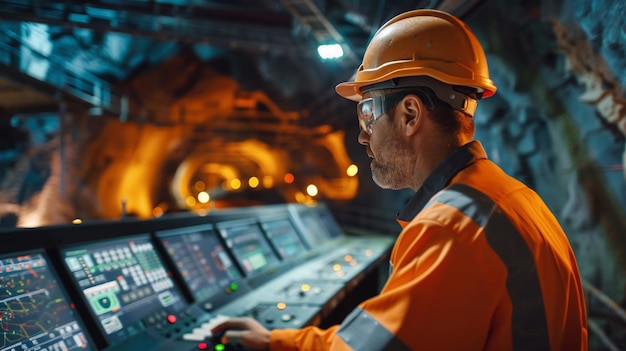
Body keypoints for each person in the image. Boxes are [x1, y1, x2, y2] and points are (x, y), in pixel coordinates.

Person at [212, 9, 588, 351]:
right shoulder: (515, 200)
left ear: (410, 114)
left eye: (367, 117)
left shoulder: (451, 227)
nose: (363, 137)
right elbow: (381, 335)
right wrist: (276, 339)